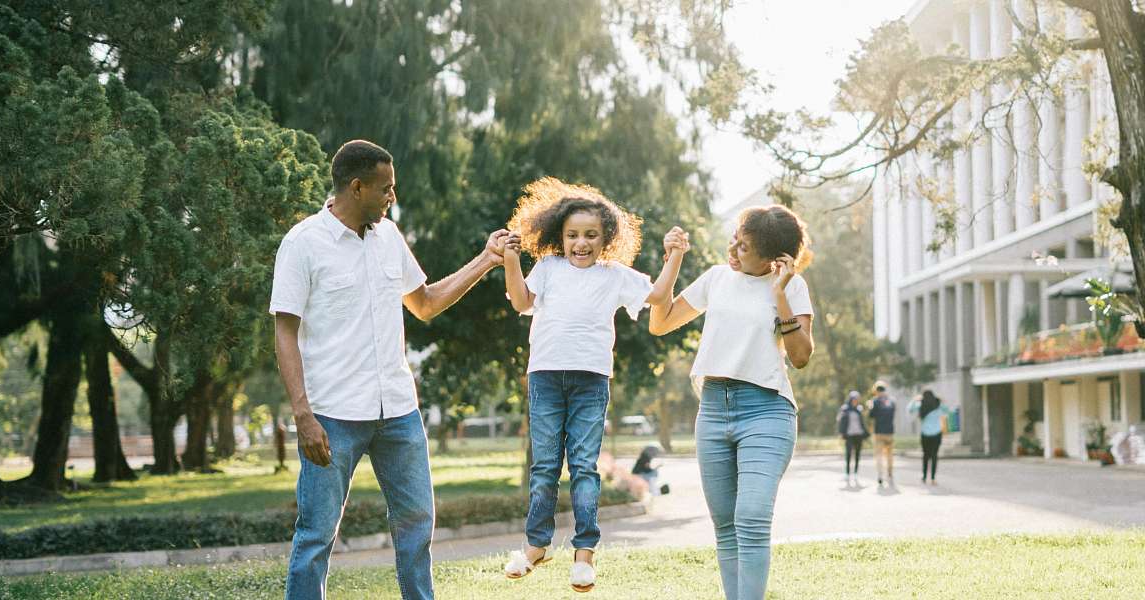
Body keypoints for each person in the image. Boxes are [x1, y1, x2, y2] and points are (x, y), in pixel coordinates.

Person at [270, 140, 511, 600]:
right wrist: (302, 415)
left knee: (418, 523)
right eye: (386, 189)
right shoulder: (303, 244)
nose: (392, 198)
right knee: (316, 535)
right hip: (332, 416)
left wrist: (486, 259)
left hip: (398, 411)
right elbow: (285, 331)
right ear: (356, 187)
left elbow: (424, 303)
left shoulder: (389, 237)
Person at [500, 177, 687, 593]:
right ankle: (536, 546)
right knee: (545, 467)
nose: (580, 243)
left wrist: (673, 256)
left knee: (584, 466)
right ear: (559, 237)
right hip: (546, 377)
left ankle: (584, 554)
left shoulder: (614, 275)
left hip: (590, 380)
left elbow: (657, 295)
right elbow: (520, 301)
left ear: (606, 239)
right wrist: (511, 260)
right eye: (572, 235)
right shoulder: (548, 268)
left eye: (590, 235)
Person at [649, 204, 815, 600]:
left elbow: (802, 356)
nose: (734, 248)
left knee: (752, 518)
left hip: (767, 411)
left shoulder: (792, 286)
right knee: (725, 525)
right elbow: (661, 322)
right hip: (712, 408)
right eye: (736, 238)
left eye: (745, 247)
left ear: (774, 258)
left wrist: (779, 294)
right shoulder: (717, 278)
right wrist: (673, 260)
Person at [914, 390, 948, 485]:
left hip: (925, 434)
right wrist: (942, 400)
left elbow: (910, 409)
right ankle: (933, 478)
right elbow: (947, 410)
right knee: (934, 456)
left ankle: (924, 477)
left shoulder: (921, 406)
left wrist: (915, 400)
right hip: (937, 434)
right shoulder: (938, 406)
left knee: (925, 456)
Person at [868, 381, 897, 487]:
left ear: (876, 391)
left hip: (879, 432)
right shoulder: (892, 401)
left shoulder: (875, 401)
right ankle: (890, 474)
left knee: (879, 455)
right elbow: (893, 413)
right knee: (889, 455)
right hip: (890, 431)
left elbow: (871, 415)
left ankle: (880, 475)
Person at [836, 390, 868, 485]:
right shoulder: (845, 409)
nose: (855, 401)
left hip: (858, 434)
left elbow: (862, 423)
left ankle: (856, 473)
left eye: (857, 399)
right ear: (850, 399)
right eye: (854, 399)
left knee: (858, 454)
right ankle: (847, 473)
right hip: (849, 435)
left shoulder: (859, 409)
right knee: (848, 454)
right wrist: (841, 433)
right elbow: (840, 421)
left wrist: (865, 433)